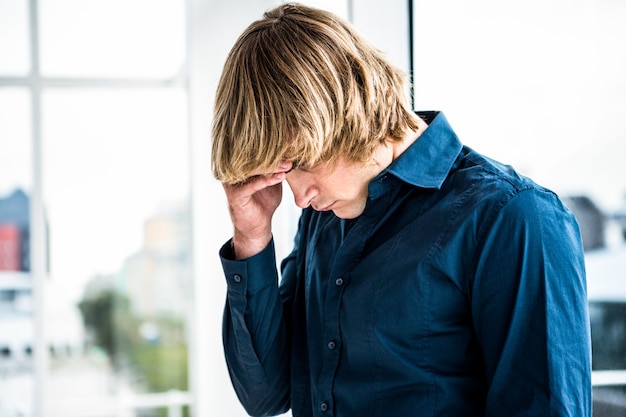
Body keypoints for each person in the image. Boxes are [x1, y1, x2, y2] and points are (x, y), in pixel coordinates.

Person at [211, 3, 592, 416]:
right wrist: (251, 238)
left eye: (301, 162)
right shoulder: (324, 217)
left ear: (346, 109)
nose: (300, 198)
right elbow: (266, 396)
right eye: (283, 174)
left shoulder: (513, 219)